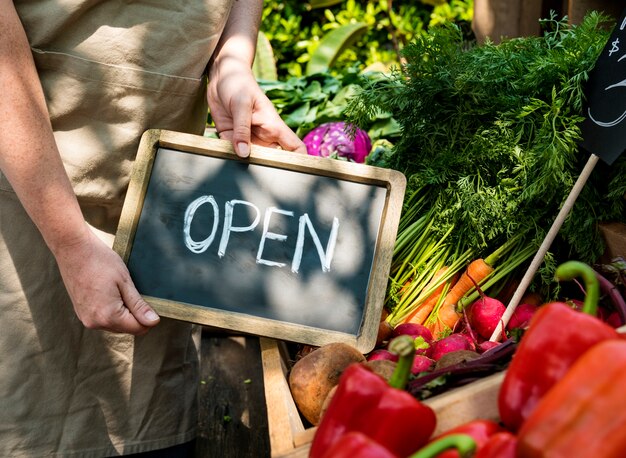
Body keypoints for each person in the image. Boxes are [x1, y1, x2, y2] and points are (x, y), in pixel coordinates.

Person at [0, 0, 305, 456]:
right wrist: (69, 241)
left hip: (161, 186)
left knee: (149, 422)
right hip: (31, 184)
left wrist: (232, 57)